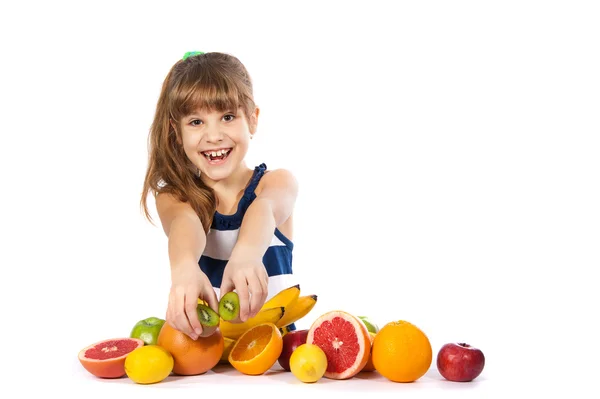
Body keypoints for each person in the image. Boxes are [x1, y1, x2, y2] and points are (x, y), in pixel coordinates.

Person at [140, 51, 299, 340]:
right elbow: (185, 224)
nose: (213, 136)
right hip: (208, 367)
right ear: (177, 132)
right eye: (196, 122)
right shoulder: (175, 198)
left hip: (278, 365)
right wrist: (184, 267)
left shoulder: (277, 183)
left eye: (227, 117)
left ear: (252, 120)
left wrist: (248, 253)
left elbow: (263, 209)